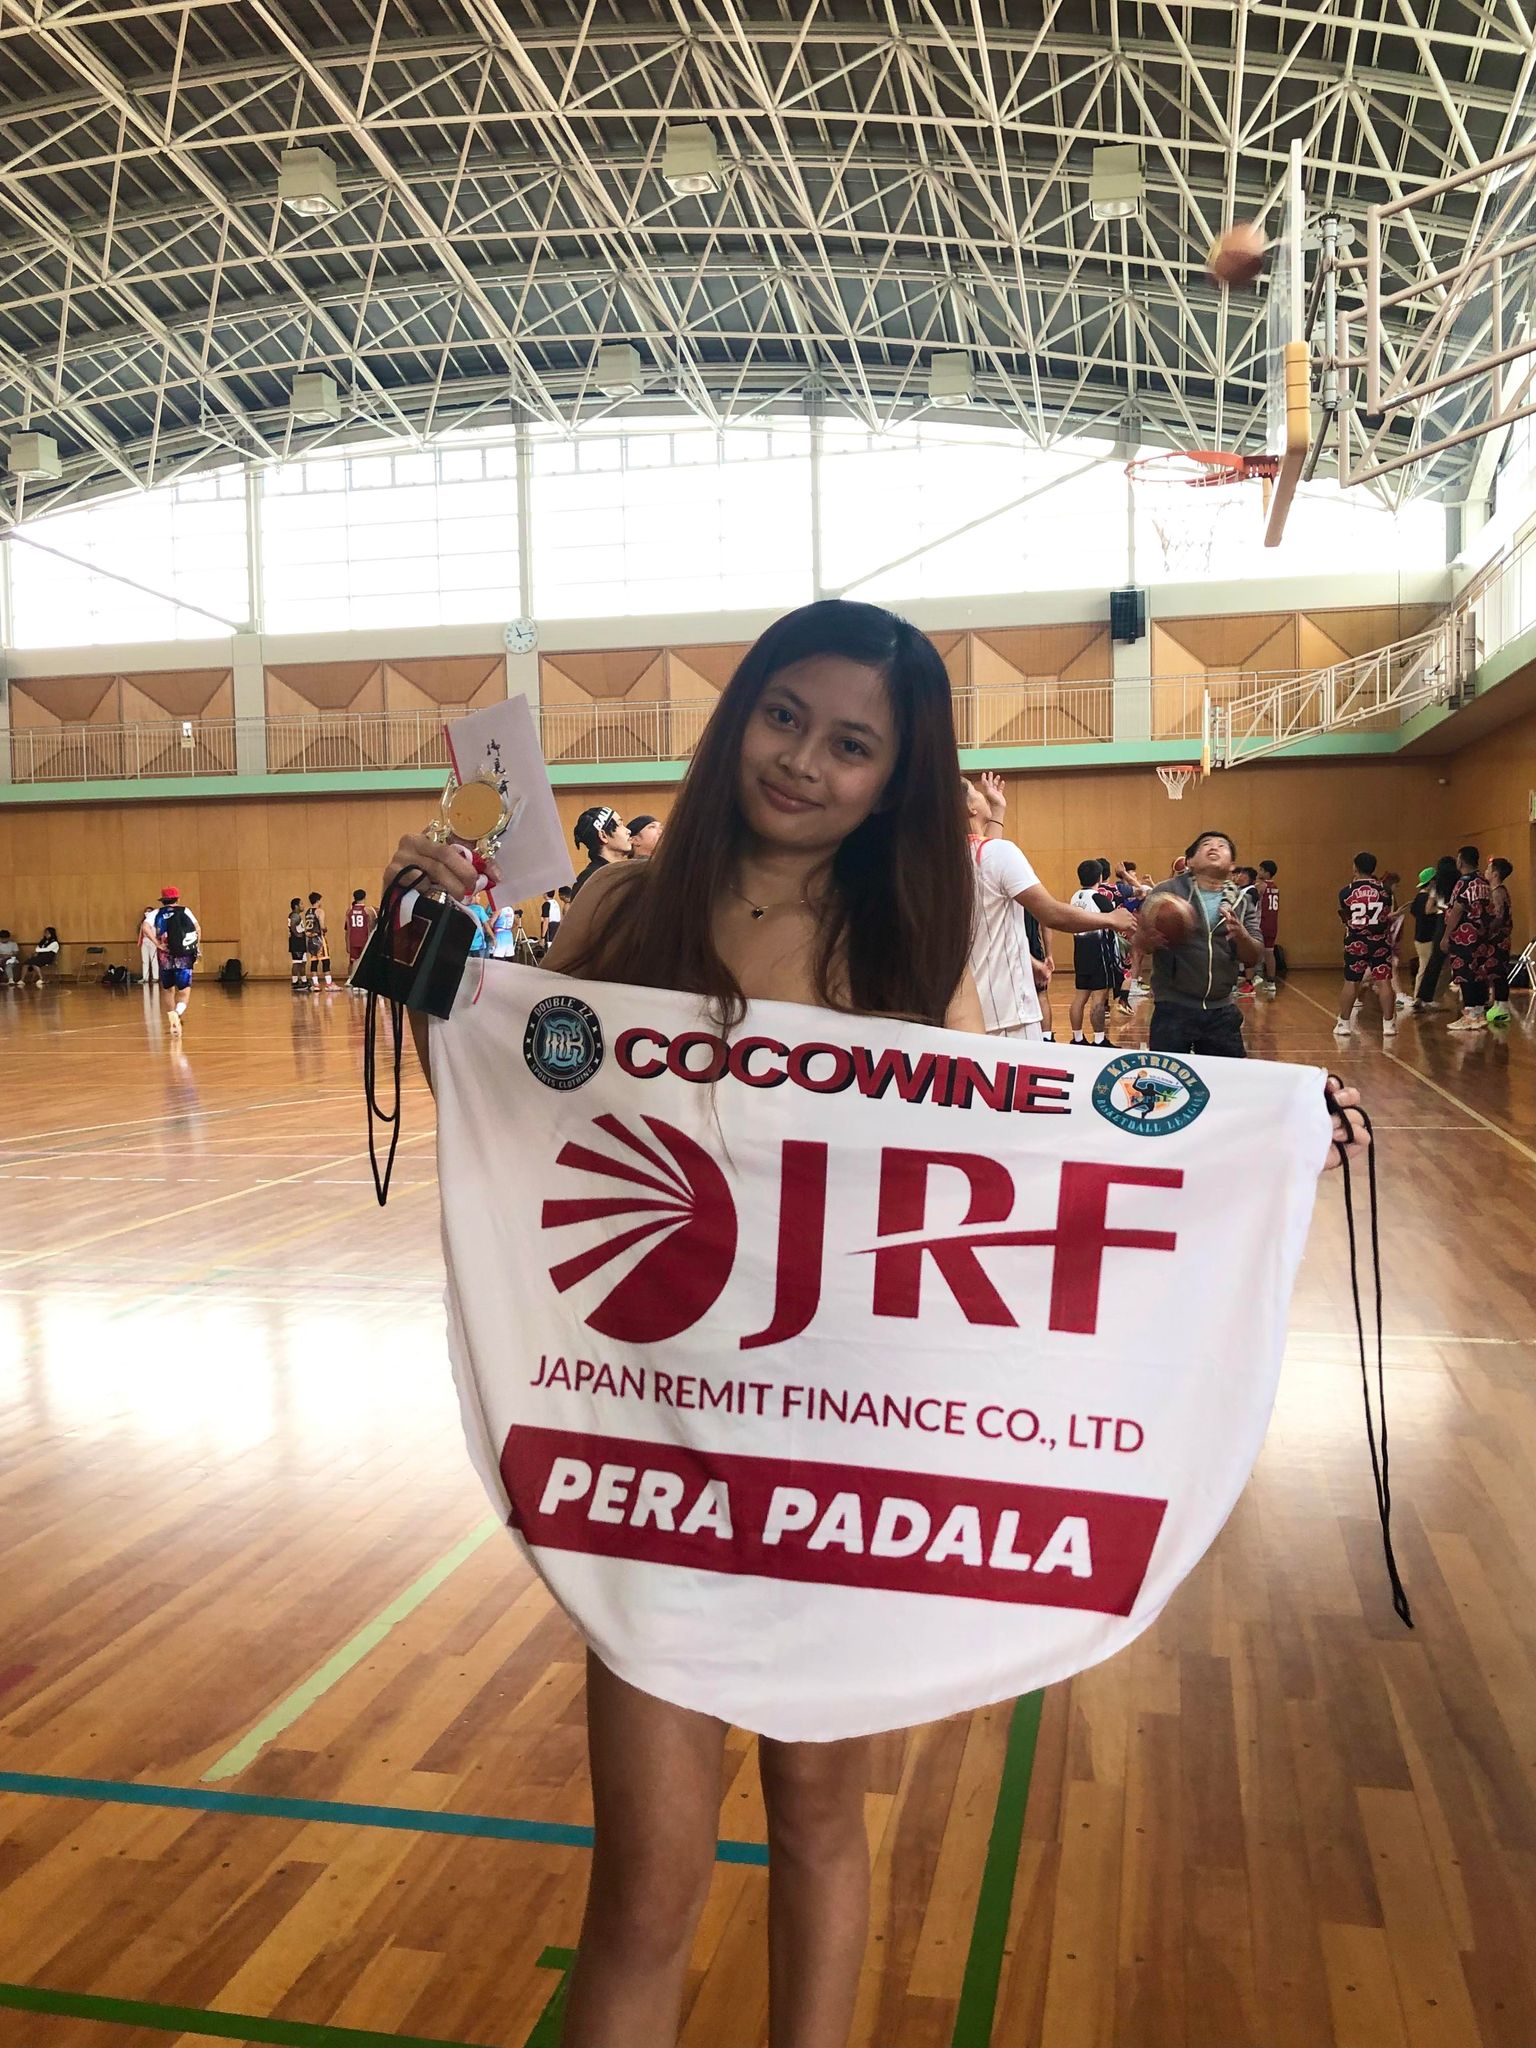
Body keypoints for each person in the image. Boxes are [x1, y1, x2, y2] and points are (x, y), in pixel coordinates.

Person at [383, 599, 1368, 2048]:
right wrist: (428, 954)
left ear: (892, 777)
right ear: (740, 721)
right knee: (645, 1885)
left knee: (817, 1821)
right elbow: (520, 1101)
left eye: (852, 745)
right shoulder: (621, 910)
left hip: (832, 1458)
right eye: (784, 718)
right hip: (652, 1466)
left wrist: (1263, 1137)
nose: (804, 763)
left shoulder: (908, 949)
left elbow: (1023, 1161)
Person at [961, 778, 1135, 1040]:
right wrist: (1110, 919)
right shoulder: (998, 852)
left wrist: (1029, 960)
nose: (983, 794)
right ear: (970, 808)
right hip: (1009, 1014)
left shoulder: (949, 859)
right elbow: (1051, 914)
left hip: (966, 1013)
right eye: (976, 792)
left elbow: (987, 870)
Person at [1141, 831, 1263, 1058]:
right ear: (1190, 862)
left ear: (1232, 866)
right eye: (1206, 845)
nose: (1214, 847)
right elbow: (1139, 942)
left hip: (1221, 1008)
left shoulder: (1243, 901)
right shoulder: (1167, 894)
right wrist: (1148, 939)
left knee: (1226, 1084)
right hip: (1173, 1007)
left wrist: (1242, 936)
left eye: (1222, 846)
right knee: (1168, 1085)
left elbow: (1254, 957)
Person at [1334, 852, 1398, 1042]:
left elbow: (1346, 915)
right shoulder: (1385, 891)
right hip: (1380, 940)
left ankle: (1344, 1023)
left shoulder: (1346, 892)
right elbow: (1386, 913)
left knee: (1352, 981)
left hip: (1356, 940)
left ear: (1355, 867)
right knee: (1384, 980)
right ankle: (1388, 1024)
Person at [1444, 844, 1496, 1035]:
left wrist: (1446, 935)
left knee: (1465, 974)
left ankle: (1469, 1015)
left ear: (1460, 860)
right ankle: (1478, 1013)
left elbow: (1457, 910)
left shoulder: (1463, 882)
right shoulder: (1483, 882)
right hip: (1482, 935)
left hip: (1464, 936)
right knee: (1479, 973)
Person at [1068, 858, 1118, 1045]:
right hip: (1097, 947)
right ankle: (1099, 1040)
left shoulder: (1074, 897)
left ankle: (1078, 1038)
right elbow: (1114, 917)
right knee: (1099, 996)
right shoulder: (1098, 897)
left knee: (1080, 996)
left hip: (1079, 948)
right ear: (1100, 877)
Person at [153, 888, 200, 1033]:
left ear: (163, 900)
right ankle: (177, 1014)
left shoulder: (156, 913)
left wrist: (157, 943)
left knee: (168, 989)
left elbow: (145, 927)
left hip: (165, 956)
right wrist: (195, 947)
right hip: (183, 955)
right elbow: (197, 928)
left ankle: (172, 1018)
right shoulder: (184, 911)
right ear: (177, 899)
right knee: (184, 991)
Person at [570, 807, 633, 899]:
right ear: (603, 836)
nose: (628, 831)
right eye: (620, 824)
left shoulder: (625, 872)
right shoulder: (591, 880)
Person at [1405, 866, 1441, 1006]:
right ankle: (1419, 998)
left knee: (1424, 966)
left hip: (1419, 937)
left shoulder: (1418, 897)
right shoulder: (1427, 898)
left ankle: (1420, 997)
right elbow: (1428, 911)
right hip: (1427, 937)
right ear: (1432, 882)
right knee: (1425, 967)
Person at [1486, 856, 1514, 1025]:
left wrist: (1486, 929)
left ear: (1495, 874)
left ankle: (1502, 1006)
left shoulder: (1497, 892)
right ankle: (1498, 1003)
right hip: (1498, 939)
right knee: (1495, 972)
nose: (1486, 871)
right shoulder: (1497, 891)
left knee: (1499, 972)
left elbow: (1498, 917)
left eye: (1489, 869)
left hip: (1498, 940)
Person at [1255, 860, 1281, 992]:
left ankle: (1255, 976)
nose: (1258, 872)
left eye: (1260, 870)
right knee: (1270, 952)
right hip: (1273, 924)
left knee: (1254, 949)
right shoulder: (1275, 886)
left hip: (1262, 922)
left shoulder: (1261, 886)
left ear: (1266, 872)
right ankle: (1271, 982)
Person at [343, 888, 376, 990]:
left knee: (353, 961)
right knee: (365, 961)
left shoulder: (349, 911)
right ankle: (363, 983)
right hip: (364, 939)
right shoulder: (368, 910)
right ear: (364, 897)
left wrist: (347, 943)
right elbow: (372, 926)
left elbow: (347, 929)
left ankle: (351, 979)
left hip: (353, 939)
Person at [303, 890, 334, 991]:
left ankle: (315, 984)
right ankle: (329, 984)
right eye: (320, 900)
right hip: (318, 938)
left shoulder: (307, 912)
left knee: (314, 961)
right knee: (325, 960)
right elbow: (322, 925)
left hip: (310, 939)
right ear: (317, 901)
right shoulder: (319, 911)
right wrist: (325, 929)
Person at [286, 898, 308, 993]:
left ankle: (303, 980)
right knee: (296, 962)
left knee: (303, 962)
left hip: (301, 942)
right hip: (297, 943)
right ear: (296, 906)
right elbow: (293, 925)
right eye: (301, 904)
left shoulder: (297, 915)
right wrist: (297, 934)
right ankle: (295, 982)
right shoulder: (295, 916)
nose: (303, 906)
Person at [137, 904, 160, 988]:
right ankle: (145, 978)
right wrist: (140, 941)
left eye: (149, 911)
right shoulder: (143, 922)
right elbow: (141, 933)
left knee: (154, 960)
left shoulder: (155, 921)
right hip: (145, 942)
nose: (147, 913)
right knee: (145, 960)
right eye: (146, 912)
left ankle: (155, 977)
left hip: (153, 942)